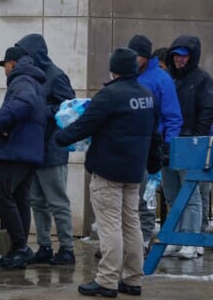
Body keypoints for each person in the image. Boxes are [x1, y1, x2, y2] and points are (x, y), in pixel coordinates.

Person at [54, 48, 160, 298]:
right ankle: (133, 278)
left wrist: (59, 137)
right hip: (134, 171)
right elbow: (155, 135)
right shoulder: (147, 96)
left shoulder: (109, 95)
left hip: (108, 170)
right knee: (131, 223)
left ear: (114, 70)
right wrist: (154, 166)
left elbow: (84, 125)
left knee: (109, 225)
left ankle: (107, 280)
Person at [14, 34, 77, 265]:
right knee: (37, 202)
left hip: (52, 148)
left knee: (57, 202)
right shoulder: (31, 76)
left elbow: (68, 107)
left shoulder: (57, 76)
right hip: (35, 148)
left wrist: (40, 111)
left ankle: (67, 248)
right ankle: (44, 246)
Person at [0, 46, 47, 269]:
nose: (4, 70)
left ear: (11, 63)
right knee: (21, 198)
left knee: (0, 195)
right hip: (29, 151)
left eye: (4, 65)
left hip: (16, 150)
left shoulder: (21, 81)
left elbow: (24, 103)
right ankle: (18, 250)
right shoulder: (35, 81)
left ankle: (20, 247)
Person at [163, 35, 213, 259]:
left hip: (190, 142)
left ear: (191, 57)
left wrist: (196, 140)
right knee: (172, 193)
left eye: (184, 56)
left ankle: (192, 239)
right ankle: (176, 237)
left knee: (192, 194)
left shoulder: (202, 80)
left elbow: (208, 112)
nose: (179, 60)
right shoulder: (168, 79)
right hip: (169, 143)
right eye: (176, 55)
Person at [129, 35, 183, 252]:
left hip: (151, 146)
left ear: (146, 56)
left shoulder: (161, 79)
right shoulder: (131, 77)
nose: (135, 60)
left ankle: (142, 240)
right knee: (129, 197)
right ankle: (129, 240)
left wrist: (167, 144)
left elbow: (173, 116)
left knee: (146, 197)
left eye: (138, 56)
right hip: (129, 145)